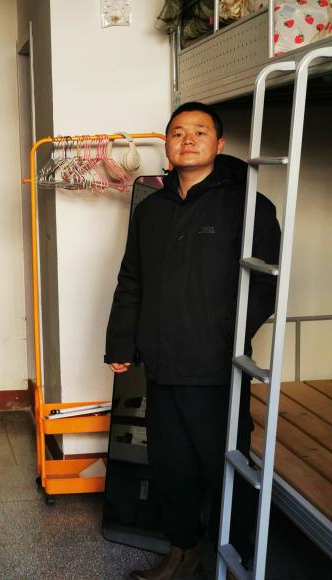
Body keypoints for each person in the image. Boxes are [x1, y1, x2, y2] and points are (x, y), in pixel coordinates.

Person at [105, 102, 281, 579]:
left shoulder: (248, 205)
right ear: (167, 144)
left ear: (219, 144)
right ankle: (182, 551)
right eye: (178, 132)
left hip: (217, 366)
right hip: (162, 365)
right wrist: (121, 342)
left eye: (200, 132)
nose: (187, 139)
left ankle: (237, 557)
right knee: (171, 466)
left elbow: (265, 285)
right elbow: (132, 278)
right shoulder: (152, 208)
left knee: (221, 466)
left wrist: (227, 336)